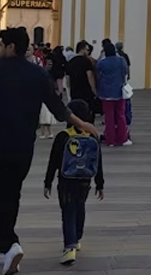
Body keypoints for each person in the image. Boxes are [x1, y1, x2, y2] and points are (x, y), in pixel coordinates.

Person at [0, 27, 99, 275]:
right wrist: (83, 124)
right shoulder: (38, 74)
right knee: (11, 196)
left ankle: (10, 243)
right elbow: (58, 109)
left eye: (1, 45)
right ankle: (3, 249)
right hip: (23, 147)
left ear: (11, 47)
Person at [44, 99, 105, 266]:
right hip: (85, 180)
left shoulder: (63, 136)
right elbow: (97, 161)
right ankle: (77, 238)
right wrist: (100, 184)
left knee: (68, 212)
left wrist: (47, 181)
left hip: (66, 181)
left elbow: (54, 161)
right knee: (80, 207)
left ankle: (69, 247)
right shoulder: (91, 135)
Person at [93, 42, 130, 146]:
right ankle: (122, 138)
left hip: (106, 92)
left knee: (109, 117)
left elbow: (97, 69)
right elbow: (125, 72)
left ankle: (110, 140)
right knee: (121, 115)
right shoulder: (121, 60)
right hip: (119, 91)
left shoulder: (102, 62)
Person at [63, 42, 98, 116]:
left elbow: (67, 78)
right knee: (87, 113)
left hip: (74, 92)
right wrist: (94, 89)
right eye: (87, 49)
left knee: (76, 113)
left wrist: (69, 91)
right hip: (86, 92)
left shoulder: (71, 62)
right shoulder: (86, 61)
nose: (88, 52)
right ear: (83, 49)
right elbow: (90, 76)